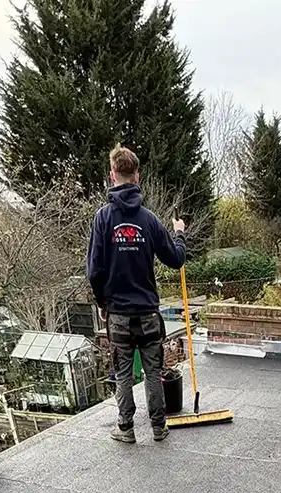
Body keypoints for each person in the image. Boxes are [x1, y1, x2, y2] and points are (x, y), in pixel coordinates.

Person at [87, 145, 187, 444]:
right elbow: (176, 258)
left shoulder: (103, 219)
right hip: (147, 313)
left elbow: (94, 270)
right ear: (138, 177)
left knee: (122, 372)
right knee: (153, 371)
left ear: (112, 174)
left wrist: (102, 302)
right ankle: (159, 427)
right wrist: (180, 234)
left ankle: (126, 428)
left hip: (118, 313)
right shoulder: (150, 220)